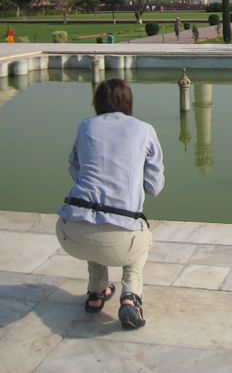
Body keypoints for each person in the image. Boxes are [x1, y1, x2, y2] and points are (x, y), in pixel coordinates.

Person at [56, 79, 164, 330]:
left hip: (69, 231)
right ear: (129, 102)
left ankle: (96, 293)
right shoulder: (144, 129)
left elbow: (74, 167)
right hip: (119, 238)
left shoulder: (85, 126)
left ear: (97, 102)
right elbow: (155, 186)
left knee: (94, 218)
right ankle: (131, 296)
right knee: (139, 234)